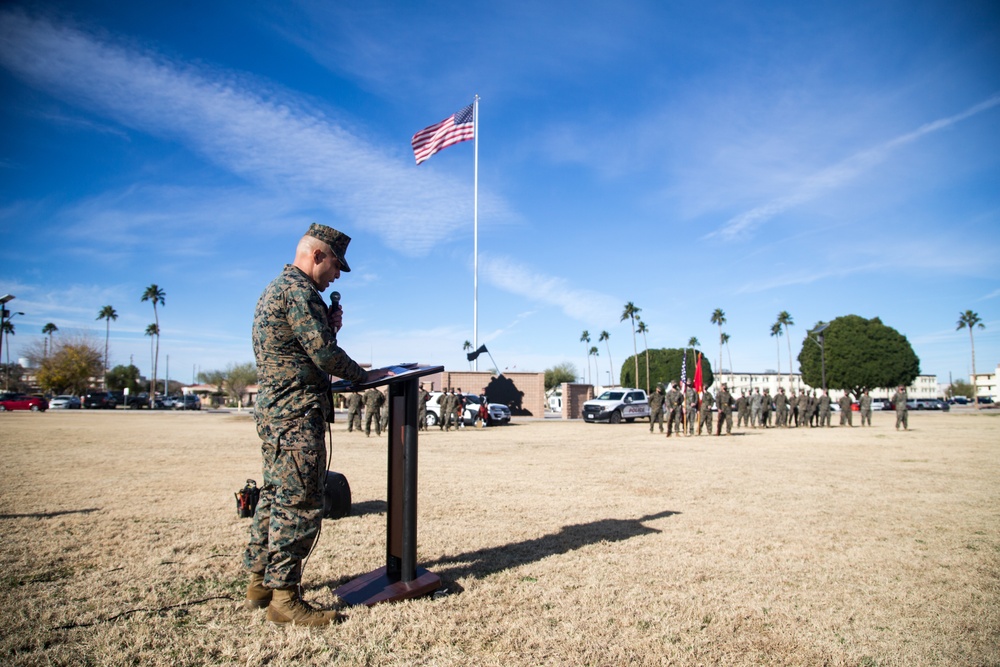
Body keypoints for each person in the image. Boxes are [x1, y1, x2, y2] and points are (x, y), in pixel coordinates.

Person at [243, 223, 374, 627]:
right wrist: (362, 375)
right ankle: (284, 598)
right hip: (296, 416)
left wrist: (328, 329)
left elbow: (303, 348)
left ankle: (259, 583)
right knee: (299, 502)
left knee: (275, 495)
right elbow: (324, 356)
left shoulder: (277, 289)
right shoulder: (299, 293)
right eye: (336, 265)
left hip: (277, 414)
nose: (336, 275)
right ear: (317, 255)